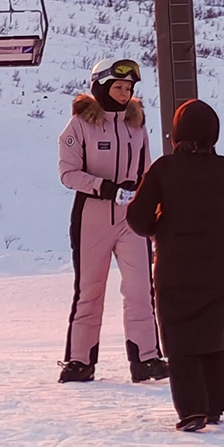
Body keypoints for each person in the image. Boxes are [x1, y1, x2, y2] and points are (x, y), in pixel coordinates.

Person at [126, 98, 224, 432]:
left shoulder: (164, 169)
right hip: (220, 265)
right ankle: (214, 406)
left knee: (181, 338)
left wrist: (158, 228)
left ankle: (192, 410)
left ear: (176, 134)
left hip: (176, 267)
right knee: (215, 333)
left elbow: (137, 217)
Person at [57, 56, 165, 384]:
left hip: (131, 217)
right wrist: (104, 187)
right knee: (90, 291)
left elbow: (146, 170)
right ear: (101, 87)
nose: (124, 93)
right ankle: (79, 362)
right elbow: (68, 173)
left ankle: (146, 358)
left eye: (129, 88)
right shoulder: (79, 125)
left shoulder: (136, 125)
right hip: (92, 216)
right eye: (118, 87)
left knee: (140, 289)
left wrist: (150, 204)